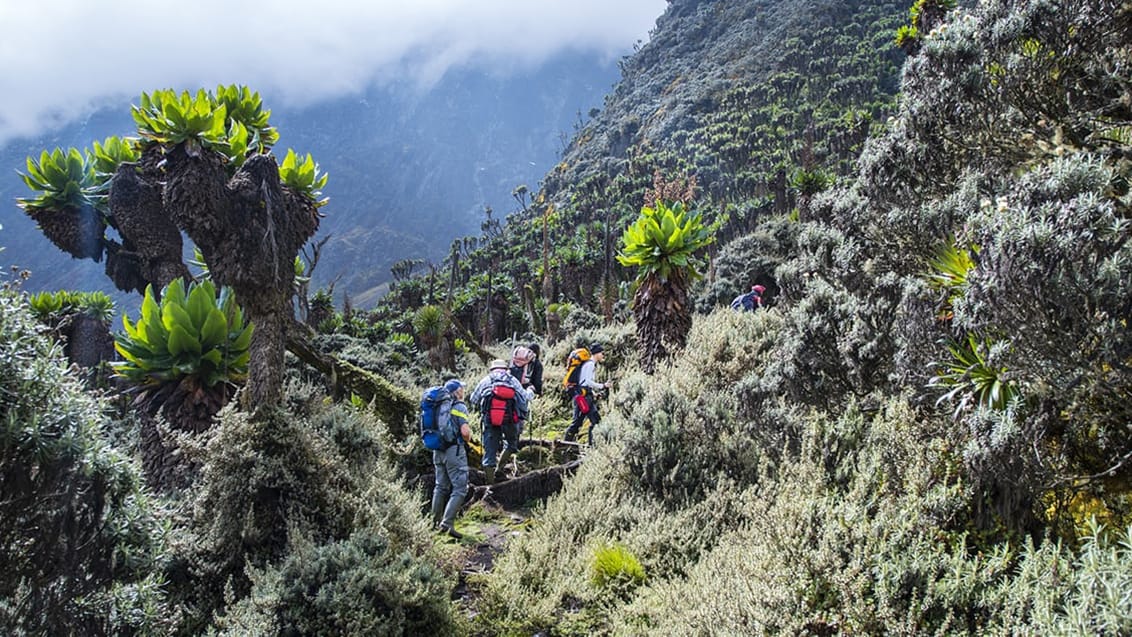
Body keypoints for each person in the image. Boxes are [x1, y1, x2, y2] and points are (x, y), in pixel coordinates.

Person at [470, 359, 531, 484]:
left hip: (490, 420)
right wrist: (531, 391)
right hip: (509, 420)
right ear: (505, 369)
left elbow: (473, 399)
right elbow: (525, 398)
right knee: (511, 445)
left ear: (492, 369)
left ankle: (490, 486)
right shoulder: (512, 380)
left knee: (489, 454)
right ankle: (500, 469)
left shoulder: (486, 380)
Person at [430, 378, 472, 539]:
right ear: (457, 391)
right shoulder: (459, 407)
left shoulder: (437, 406)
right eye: (461, 388)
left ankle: (434, 523)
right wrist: (467, 440)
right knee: (460, 489)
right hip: (454, 451)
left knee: (440, 486)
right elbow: (465, 432)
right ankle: (447, 524)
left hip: (438, 450)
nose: (463, 390)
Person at [563, 343, 609, 444]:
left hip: (583, 396)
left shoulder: (587, 364)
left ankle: (586, 445)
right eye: (602, 353)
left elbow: (583, 381)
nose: (603, 355)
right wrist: (603, 386)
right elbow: (587, 381)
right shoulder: (590, 364)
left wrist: (593, 393)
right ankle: (567, 444)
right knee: (587, 422)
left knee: (590, 421)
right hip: (582, 397)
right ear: (596, 353)